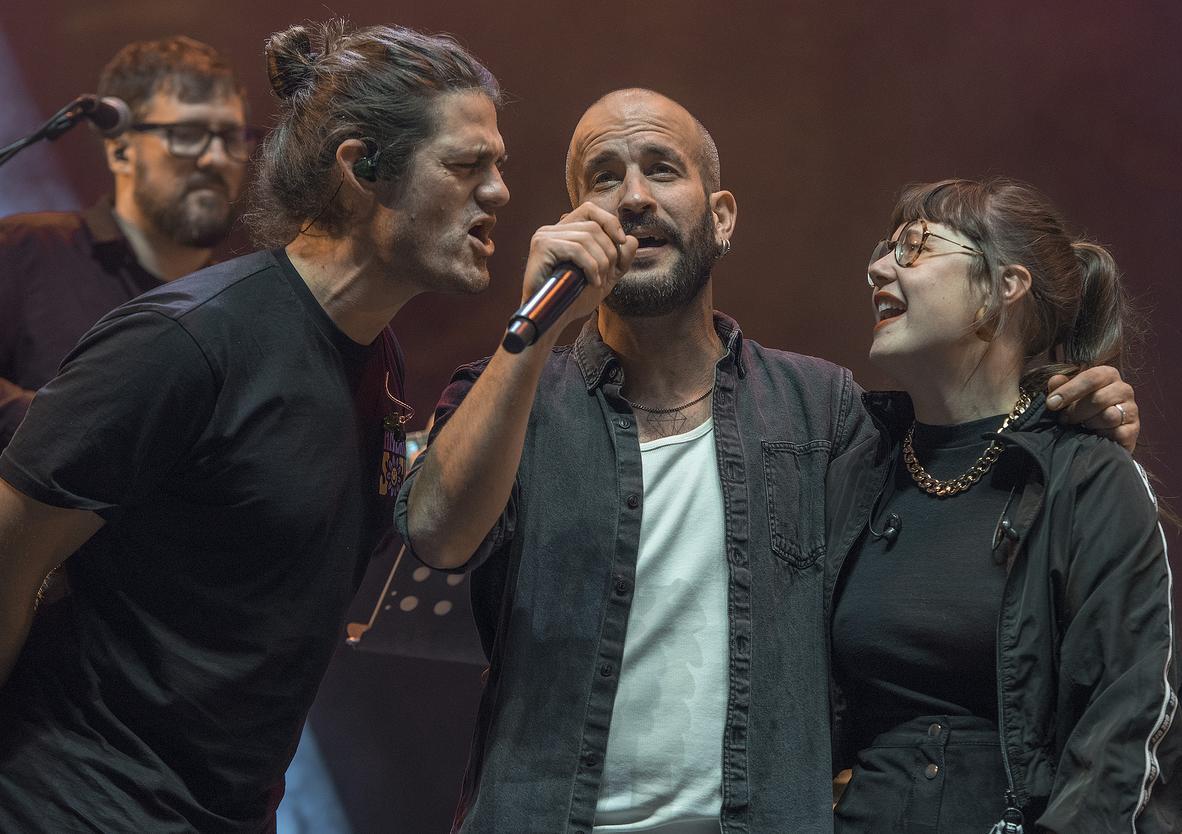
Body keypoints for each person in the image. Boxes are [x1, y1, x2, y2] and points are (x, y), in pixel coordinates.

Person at [396, 89, 1138, 832]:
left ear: (721, 217)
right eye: (602, 178)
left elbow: (965, 426)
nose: (631, 199)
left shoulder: (822, 408)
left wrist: (1058, 402)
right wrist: (532, 328)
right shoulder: (512, 395)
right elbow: (437, 530)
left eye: (661, 168)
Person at [0, 21, 507, 831]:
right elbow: (9, 549)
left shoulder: (379, 362)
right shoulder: (192, 338)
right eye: (466, 165)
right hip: (75, 803)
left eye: (498, 167)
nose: (498, 192)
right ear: (360, 168)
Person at [826, 178, 1182, 832]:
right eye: (884, 250)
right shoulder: (854, 468)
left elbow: (1125, 732)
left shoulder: (1086, 478)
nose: (878, 268)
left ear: (1003, 287)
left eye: (914, 249)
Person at [0, 35, 249, 450]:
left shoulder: (242, 305)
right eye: (187, 134)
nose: (217, 158)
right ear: (119, 151)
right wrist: (63, 428)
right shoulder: (25, 250)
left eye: (232, 136)